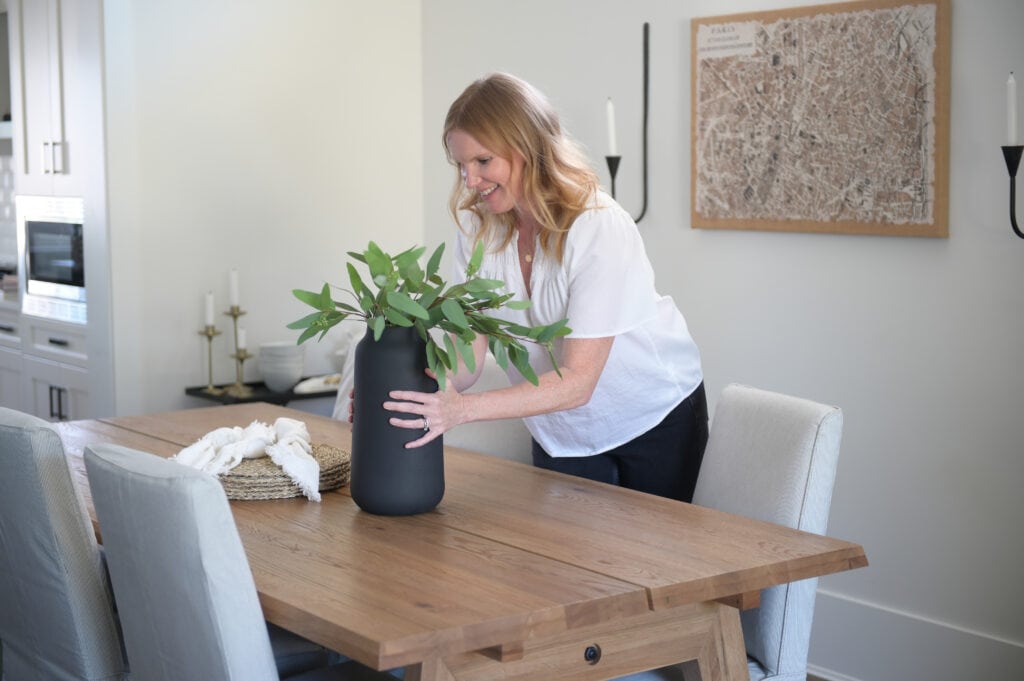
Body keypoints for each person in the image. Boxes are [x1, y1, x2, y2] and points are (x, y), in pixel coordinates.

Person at [382, 73, 708, 503]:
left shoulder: (597, 225)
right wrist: (410, 400)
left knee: (656, 568)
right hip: (559, 427)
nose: (470, 181)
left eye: (483, 162)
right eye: (462, 165)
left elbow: (577, 382)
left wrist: (462, 411)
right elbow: (468, 354)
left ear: (528, 148)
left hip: (651, 417)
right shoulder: (478, 230)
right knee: (563, 567)